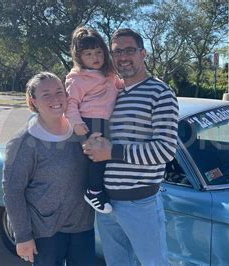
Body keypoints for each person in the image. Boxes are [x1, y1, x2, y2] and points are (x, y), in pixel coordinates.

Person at [83, 28, 178, 266]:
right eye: (116, 52)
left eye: (129, 50)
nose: (123, 57)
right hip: (105, 204)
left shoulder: (161, 93)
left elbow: (165, 150)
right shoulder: (109, 91)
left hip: (140, 204)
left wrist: (111, 151)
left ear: (143, 53)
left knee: (154, 263)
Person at [2, 72, 95, 265]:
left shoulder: (80, 131)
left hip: (82, 226)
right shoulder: (24, 142)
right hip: (45, 232)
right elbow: (13, 191)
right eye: (46, 94)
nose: (55, 99)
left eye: (59, 92)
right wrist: (23, 236)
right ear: (34, 101)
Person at [65, 27, 123, 214]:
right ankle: (93, 191)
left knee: (105, 157)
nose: (95, 57)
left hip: (104, 121)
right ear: (79, 56)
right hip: (89, 122)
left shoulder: (109, 75)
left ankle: (99, 189)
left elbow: (120, 87)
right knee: (98, 159)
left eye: (98, 52)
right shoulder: (78, 79)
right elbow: (70, 103)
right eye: (88, 53)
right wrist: (76, 123)